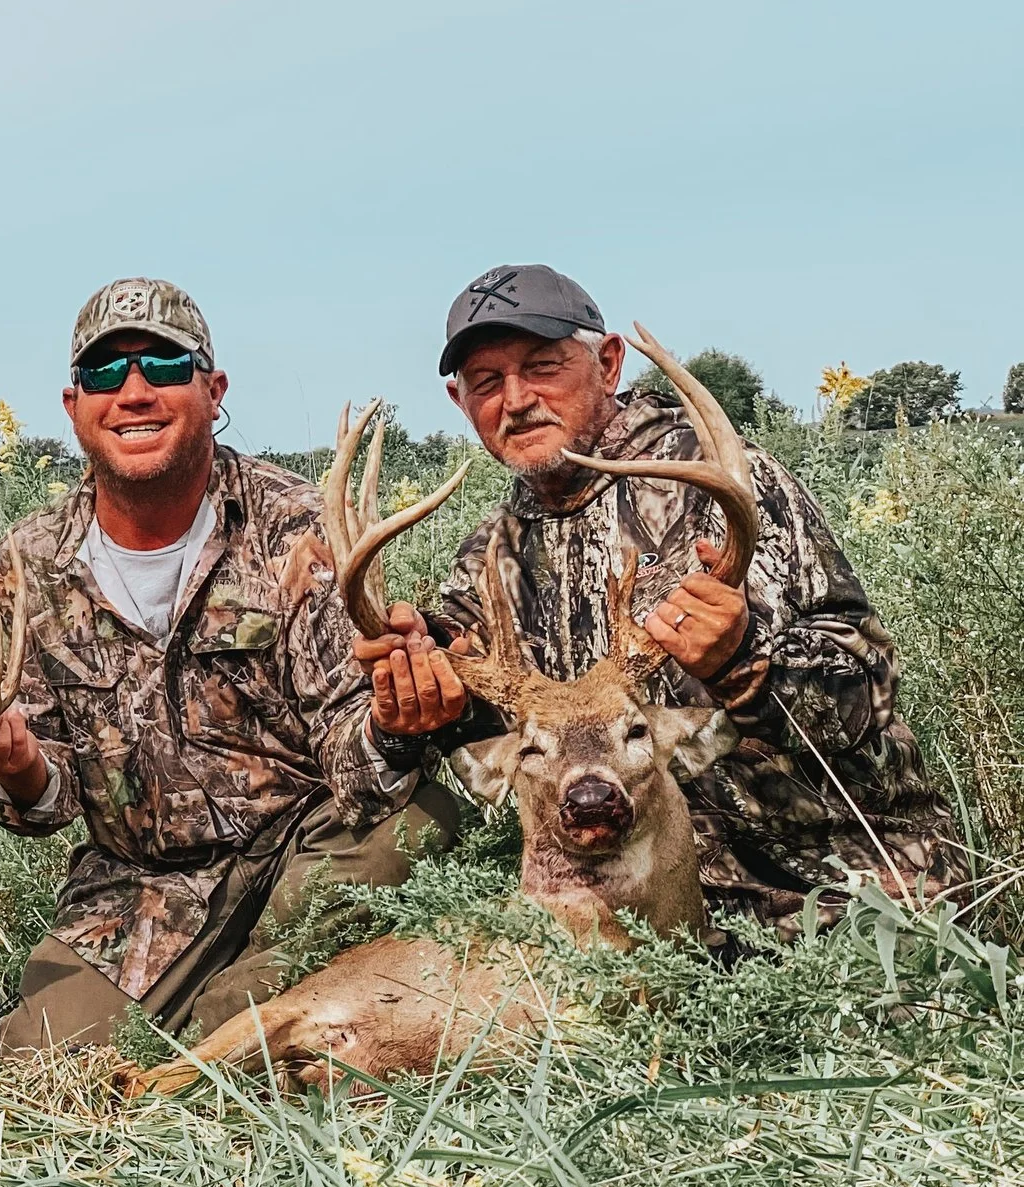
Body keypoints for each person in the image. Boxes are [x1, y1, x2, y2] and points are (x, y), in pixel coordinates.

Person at [356, 263, 956, 932]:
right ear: (459, 401)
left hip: (838, 891)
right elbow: (498, 750)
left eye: (543, 366)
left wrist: (745, 662)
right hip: (628, 920)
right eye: (487, 383)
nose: (517, 399)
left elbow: (867, 685)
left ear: (608, 363)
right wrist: (416, 707)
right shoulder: (487, 559)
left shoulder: (721, 485)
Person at [0, 277, 457, 1053]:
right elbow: (46, 802)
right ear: (73, 406)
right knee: (41, 1062)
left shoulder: (300, 527)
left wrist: (389, 725)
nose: (135, 392)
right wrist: (18, 768)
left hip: (308, 855)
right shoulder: (31, 561)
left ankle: (230, 1016)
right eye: (107, 374)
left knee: (420, 823)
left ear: (213, 391)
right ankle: (248, 1018)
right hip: (144, 885)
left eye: (166, 366)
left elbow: (357, 764)